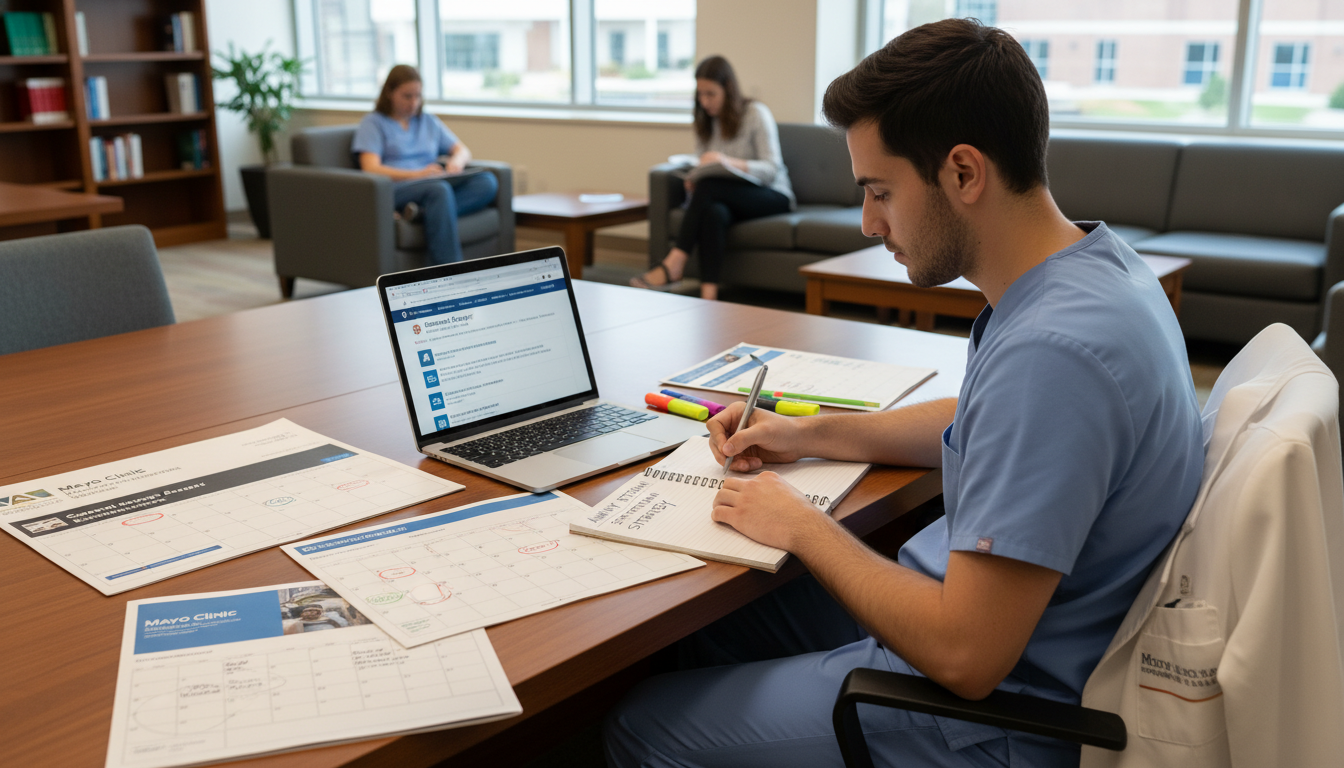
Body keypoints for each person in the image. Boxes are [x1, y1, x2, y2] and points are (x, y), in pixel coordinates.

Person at [605, 19, 1204, 768]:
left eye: (881, 190)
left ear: (963, 172)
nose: (868, 221)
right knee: (708, 627)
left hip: (983, 713)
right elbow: (990, 420)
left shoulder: (1053, 353)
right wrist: (808, 432)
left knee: (638, 723)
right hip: (991, 629)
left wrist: (801, 525)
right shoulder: (1096, 273)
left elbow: (966, 655)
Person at [631, 56, 794, 301]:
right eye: (700, 94)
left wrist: (727, 162)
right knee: (713, 212)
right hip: (726, 197)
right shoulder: (706, 121)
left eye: (711, 94)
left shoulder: (756, 114)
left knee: (709, 187)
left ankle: (675, 262)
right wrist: (696, 174)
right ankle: (710, 296)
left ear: (727, 89)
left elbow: (772, 168)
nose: (704, 101)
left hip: (772, 195)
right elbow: (703, 160)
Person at [352, 64, 499, 265]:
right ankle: (450, 271)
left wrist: (456, 162)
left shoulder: (428, 121)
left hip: (431, 184)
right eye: (407, 96)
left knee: (487, 181)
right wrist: (419, 175)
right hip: (398, 188)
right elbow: (370, 168)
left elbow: (462, 150)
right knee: (439, 190)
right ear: (389, 93)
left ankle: (420, 214)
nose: (414, 102)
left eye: (418, 96)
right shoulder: (373, 123)